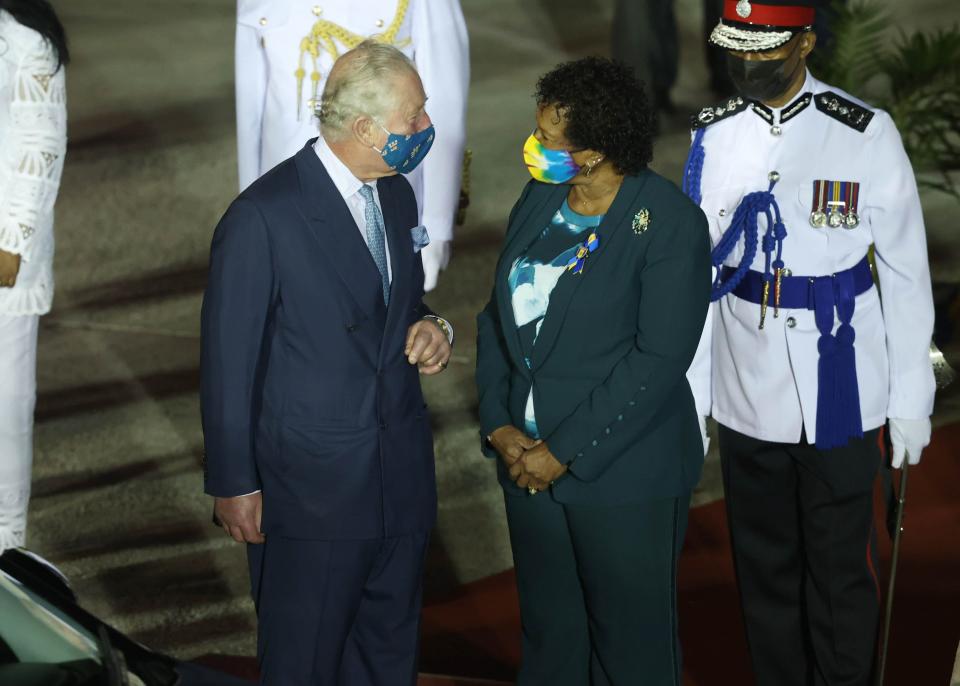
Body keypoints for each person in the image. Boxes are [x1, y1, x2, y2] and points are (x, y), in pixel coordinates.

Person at [683, 1, 936, 683]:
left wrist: (912, 394)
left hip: (842, 383)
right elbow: (700, 273)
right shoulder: (714, 133)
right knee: (764, 569)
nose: (746, 64)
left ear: (806, 43)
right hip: (746, 384)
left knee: (838, 573)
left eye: (763, 50)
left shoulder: (863, 133)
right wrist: (695, 392)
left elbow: (907, 270)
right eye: (737, 49)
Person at [201, 41, 453, 685]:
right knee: (304, 663)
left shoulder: (394, 195)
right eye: (415, 115)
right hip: (310, 496)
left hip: (397, 483)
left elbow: (395, 301)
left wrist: (431, 325)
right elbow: (228, 364)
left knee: (388, 659)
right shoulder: (263, 217)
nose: (428, 127)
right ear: (366, 128)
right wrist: (234, 483)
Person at [476, 57, 711, 684]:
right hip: (526, 465)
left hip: (621, 474)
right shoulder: (541, 196)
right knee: (551, 638)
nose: (533, 147)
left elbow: (658, 360)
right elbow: (496, 316)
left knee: (631, 652)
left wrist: (563, 451)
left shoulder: (667, 225)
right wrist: (499, 424)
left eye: (548, 139)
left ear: (594, 152)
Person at [235, 0, 469, 291]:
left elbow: (443, 103)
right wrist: (250, 213)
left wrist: (435, 224)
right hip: (287, 189)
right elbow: (250, 106)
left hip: (378, 196)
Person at [0, 0, 68, 553]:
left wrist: (13, 241)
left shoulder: (23, 38)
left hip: (3, 267)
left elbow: (40, 143)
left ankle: (6, 548)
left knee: (5, 413)